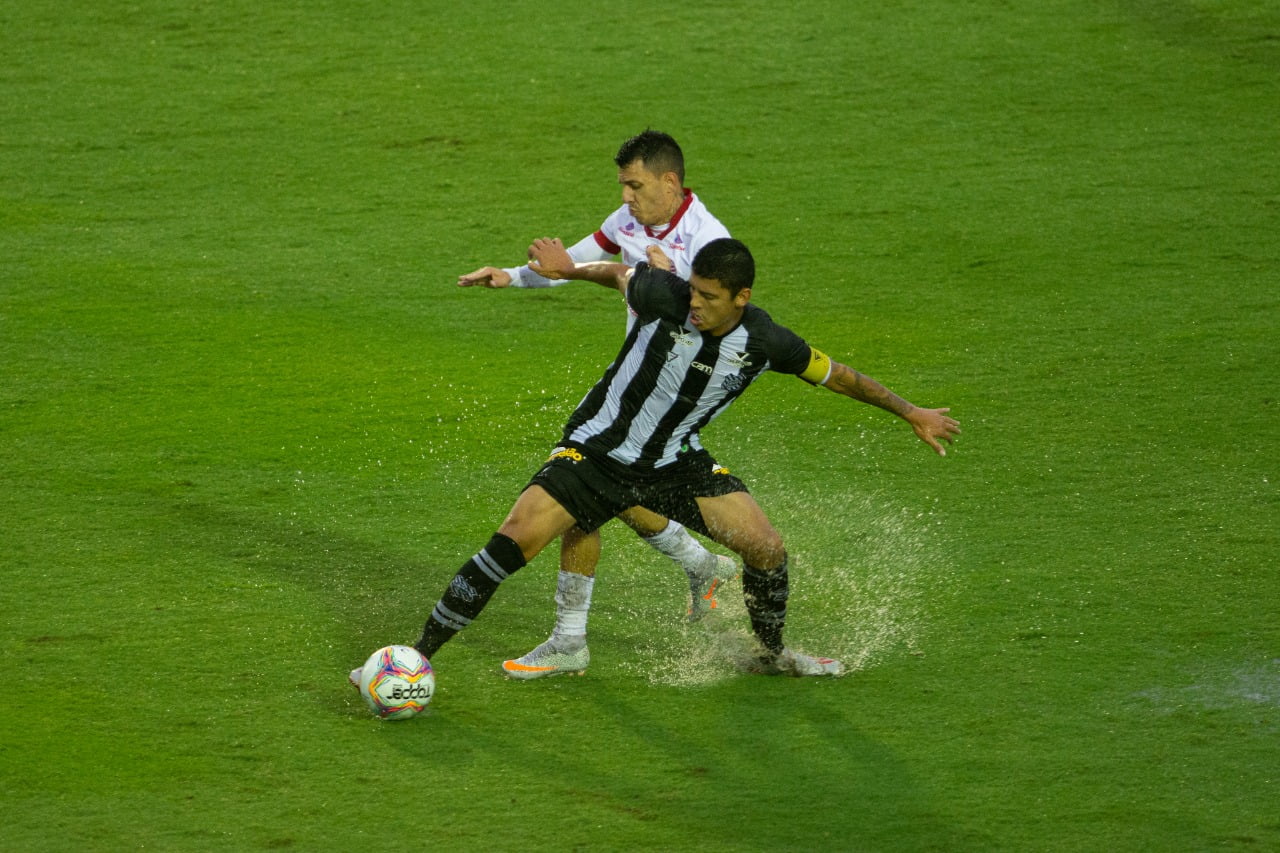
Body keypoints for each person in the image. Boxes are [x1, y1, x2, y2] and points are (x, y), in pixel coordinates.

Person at [354, 237, 959, 686]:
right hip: (596, 453)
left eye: (709, 297)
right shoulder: (665, 295)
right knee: (513, 542)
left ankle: (771, 655)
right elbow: (618, 275)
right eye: (692, 290)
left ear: (742, 298)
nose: (694, 303)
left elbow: (839, 376)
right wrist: (567, 271)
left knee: (767, 548)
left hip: (675, 466)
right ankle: (414, 658)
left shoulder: (769, 341)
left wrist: (911, 412)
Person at [457, 130, 737, 679]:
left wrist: (658, 273)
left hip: (677, 388)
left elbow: (706, 319)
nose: (627, 197)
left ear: (670, 182)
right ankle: (701, 566)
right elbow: (573, 264)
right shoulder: (626, 222)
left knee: (579, 479)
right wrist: (511, 277)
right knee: (600, 486)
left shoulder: (709, 243)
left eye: (635, 186)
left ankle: (573, 639)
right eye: (623, 186)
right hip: (635, 382)